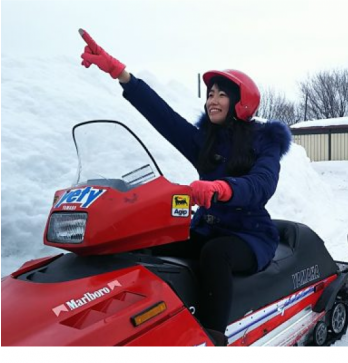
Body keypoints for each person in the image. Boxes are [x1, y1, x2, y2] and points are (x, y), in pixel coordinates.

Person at [79, 29, 292, 343]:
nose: (212, 100)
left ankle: (212, 337)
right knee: (150, 242)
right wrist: (121, 74)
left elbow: (262, 183)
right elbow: (164, 117)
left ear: (240, 101)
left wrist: (224, 187)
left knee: (215, 254)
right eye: (210, 94)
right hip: (207, 228)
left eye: (221, 94)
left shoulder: (265, 141)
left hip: (248, 235)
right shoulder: (205, 141)